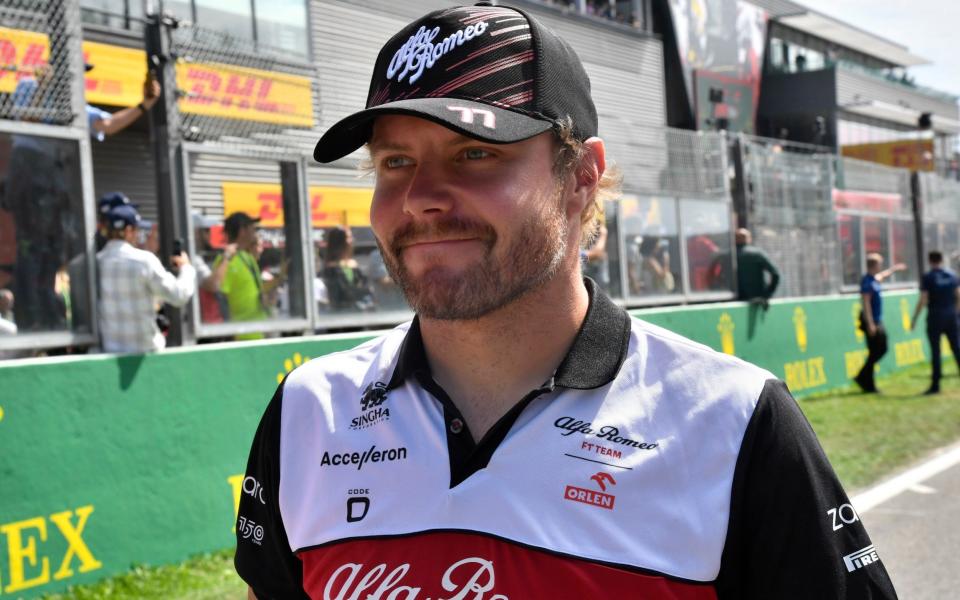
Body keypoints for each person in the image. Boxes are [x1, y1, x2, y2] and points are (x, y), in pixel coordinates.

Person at [235, 5, 897, 598]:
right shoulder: (308, 411)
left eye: (475, 152)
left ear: (580, 178)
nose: (421, 198)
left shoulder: (732, 419)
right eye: (395, 163)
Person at [3, 65, 160, 332]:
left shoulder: (75, 102)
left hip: (53, 179)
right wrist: (44, 86)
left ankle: (50, 314)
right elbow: (27, 118)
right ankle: (32, 317)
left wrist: (145, 105)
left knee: (54, 247)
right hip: (28, 172)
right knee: (31, 246)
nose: (74, 79)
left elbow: (107, 125)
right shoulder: (29, 85)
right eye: (68, 73)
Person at [96, 203, 195, 353]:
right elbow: (179, 296)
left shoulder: (96, 263)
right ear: (128, 231)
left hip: (109, 353)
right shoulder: (144, 261)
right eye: (137, 230)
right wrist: (186, 268)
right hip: (145, 355)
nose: (139, 235)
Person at [216, 212, 285, 340]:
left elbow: (256, 291)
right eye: (253, 229)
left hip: (259, 332)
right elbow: (219, 297)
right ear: (242, 231)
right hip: (242, 338)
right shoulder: (226, 261)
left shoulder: (247, 258)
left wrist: (276, 283)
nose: (255, 232)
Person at [910, 250, 960, 394]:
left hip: (935, 317)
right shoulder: (952, 275)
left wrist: (914, 318)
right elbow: (958, 296)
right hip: (951, 316)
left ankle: (935, 385)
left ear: (930, 260)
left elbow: (923, 299)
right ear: (942, 260)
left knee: (936, 352)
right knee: (956, 348)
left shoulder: (928, 277)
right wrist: (956, 313)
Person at [855, 253, 906, 393]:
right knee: (876, 350)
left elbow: (883, 275)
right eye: (880, 264)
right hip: (871, 322)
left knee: (879, 350)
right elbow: (865, 303)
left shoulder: (873, 279)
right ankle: (866, 382)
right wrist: (870, 323)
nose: (881, 266)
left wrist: (895, 269)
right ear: (874, 265)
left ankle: (863, 378)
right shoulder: (867, 282)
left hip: (877, 320)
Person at [321, 226, 374, 312]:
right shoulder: (331, 268)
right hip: (343, 312)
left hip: (358, 309)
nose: (352, 240)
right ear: (339, 241)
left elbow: (365, 285)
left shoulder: (353, 263)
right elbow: (342, 292)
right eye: (349, 237)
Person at [734, 228, 779, 304]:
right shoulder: (757, 254)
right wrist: (767, 295)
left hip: (735, 300)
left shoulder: (727, 256)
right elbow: (775, 274)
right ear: (749, 239)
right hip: (756, 300)